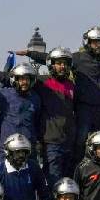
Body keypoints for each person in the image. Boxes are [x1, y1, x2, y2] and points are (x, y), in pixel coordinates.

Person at [20, 27, 100, 164]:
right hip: (84, 106)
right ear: (88, 42)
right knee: (81, 139)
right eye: (95, 42)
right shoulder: (78, 58)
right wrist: (30, 53)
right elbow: (54, 58)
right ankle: (79, 165)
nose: (98, 45)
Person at [33, 47, 77, 186]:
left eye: (65, 63)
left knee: (67, 178)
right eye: (58, 63)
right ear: (51, 64)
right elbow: (19, 78)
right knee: (53, 178)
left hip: (69, 140)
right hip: (51, 141)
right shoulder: (42, 82)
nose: (62, 66)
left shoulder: (72, 85)